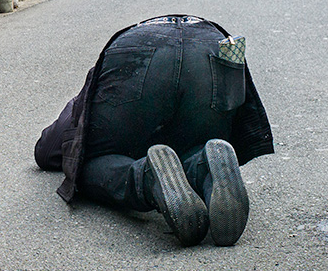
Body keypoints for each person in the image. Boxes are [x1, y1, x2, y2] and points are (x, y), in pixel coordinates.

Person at [34, 15, 274, 247]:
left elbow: (47, 151)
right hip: (213, 44)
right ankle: (205, 167)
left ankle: (148, 177)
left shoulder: (112, 74)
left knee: (86, 164)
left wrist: (81, 105)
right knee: (196, 145)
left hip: (139, 52)